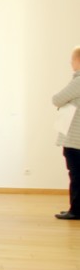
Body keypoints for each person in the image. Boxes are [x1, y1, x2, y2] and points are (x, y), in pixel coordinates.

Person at [52, 45, 80, 219]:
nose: (70, 63)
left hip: (75, 139)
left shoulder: (78, 81)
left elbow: (57, 99)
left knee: (76, 175)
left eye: (72, 59)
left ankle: (76, 211)